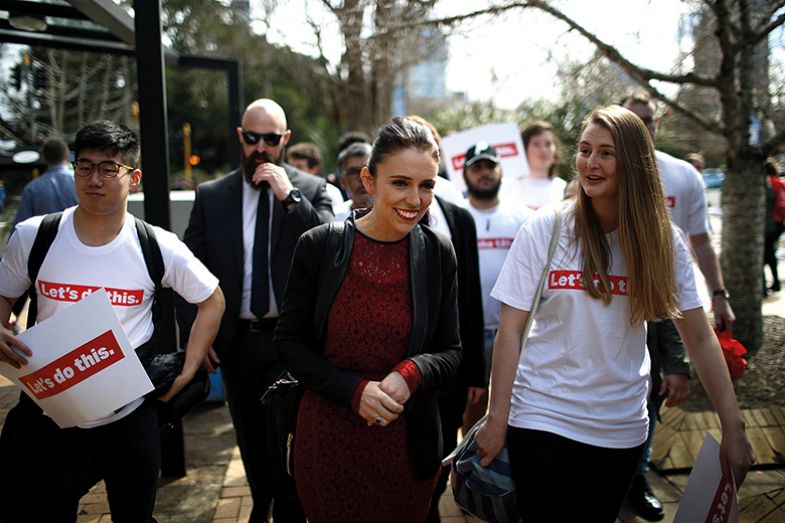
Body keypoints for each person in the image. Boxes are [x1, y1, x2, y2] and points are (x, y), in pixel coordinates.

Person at [475, 106, 754, 522]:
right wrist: (497, 418)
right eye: (585, 150)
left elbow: (699, 337)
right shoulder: (546, 228)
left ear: (635, 163)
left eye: (606, 153)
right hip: (541, 415)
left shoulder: (664, 241)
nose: (591, 162)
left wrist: (733, 426)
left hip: (621, 428)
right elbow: (510, 330)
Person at [0, 120, 225, 522]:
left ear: (133, 178)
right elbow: (4, 294)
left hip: (129, 419)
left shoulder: (156, 246)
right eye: (85, 167)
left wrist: (189, 367)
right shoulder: (34, 237)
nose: (94, 179)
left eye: (109, 168)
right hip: (50, 416)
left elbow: (212, 300)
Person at [272, 116, 462, 523]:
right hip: (328, 439)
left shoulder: (438, 253)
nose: (415, 199)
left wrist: (410, 373)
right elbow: (287, 344)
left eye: (426, 185)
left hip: (407, 444)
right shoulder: (320, 246)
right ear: (368, 180)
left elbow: (451, 350)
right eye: (401, 183)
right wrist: (353, 390)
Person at [181, 98, 333, 522]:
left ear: (285, 140)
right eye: (253, 138)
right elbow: (186, 271)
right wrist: (197, 333)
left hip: (291, 343)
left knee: (287, 437)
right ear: (240, 137)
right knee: (248, 436)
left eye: (271, 139)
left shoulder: (310, 190)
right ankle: (260, 501)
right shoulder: (212, 195)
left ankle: (287, 509)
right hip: (238, 341)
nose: (261, 148)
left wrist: (290, 198)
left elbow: (330, 252)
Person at [622, 91, 735, 519]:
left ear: (657, 125)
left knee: (655, 393)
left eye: (648, 120)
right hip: (610, 301)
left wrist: (719, 294)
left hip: (663, 306)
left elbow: (701, 241)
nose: (642, 127)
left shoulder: (683, 176)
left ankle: (636, 479)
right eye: (633, 119)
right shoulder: (605, 169)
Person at [407, 116, 486, 523]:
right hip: (399, 367)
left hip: (450, 367)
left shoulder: (459, 219)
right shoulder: (381, 214)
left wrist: (476, 372)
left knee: (442, 448)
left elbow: (470, 298)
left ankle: (430, 506)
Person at [460, 142, 532, 433]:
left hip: (513, 331)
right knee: (472, 406)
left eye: (490, 166)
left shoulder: (523, 218)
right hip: (467, 334)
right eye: (477, 167)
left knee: (514, 408)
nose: (484, 173)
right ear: (465, 174)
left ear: (501, 170)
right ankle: (470, 460)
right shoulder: (454, 216)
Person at [500, 120, 566, 210]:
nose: (543, 150)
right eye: (536, 144)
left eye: (548, 144)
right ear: (524, 149)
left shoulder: (563, 188)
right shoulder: (507, 186)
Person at [13, 137, 78, 227]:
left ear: (45, 158)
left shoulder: (32, 188)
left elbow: (20, 225)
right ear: (67, 156)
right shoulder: (79, 181)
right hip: (77, 233)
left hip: (45, 235)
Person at [287, 142, 346, 215]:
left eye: (299, 167)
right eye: (291, 167)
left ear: (314, 169)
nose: (293, 171)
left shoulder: (331, 192)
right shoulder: (285, 191)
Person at [334, 141, 373, 221]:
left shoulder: (396, 215)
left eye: (368, 170)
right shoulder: (333, 219)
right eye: (354, 172)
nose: (362, 178)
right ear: (342, 181)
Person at [764, 158, 785, 294]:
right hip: (779, 223)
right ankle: (775, 282)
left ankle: (770, 284)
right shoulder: (779, 182)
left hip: (770, 223)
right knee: (770, 252)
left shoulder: (769, 184)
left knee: (767, 254)